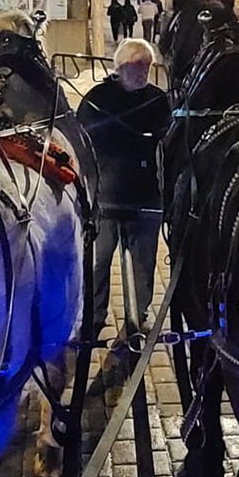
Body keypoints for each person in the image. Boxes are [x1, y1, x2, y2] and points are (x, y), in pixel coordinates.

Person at [79, 38, 171, 354]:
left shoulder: (160, 102)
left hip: (146, 200)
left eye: (147, 65)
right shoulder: (95, 100)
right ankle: (93, 318)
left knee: (144, 266)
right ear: (119, 68)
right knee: (97, 263)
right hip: (104, 201)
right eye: (135, 66)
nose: (143, 71)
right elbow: (81, 149)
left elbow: (170, 150)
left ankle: (137, 318)